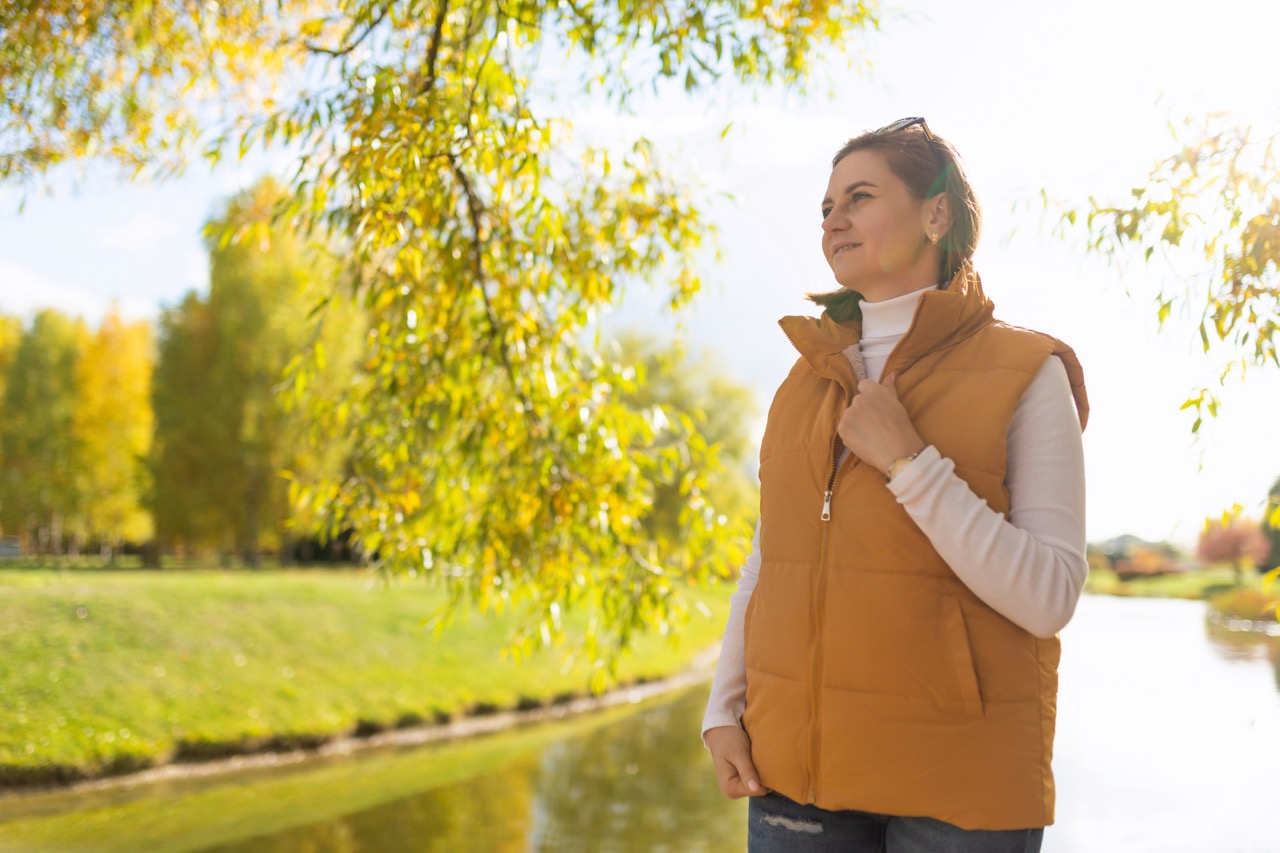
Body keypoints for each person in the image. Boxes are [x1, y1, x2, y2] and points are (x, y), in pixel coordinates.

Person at [701, 117, 1089, 852]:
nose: (833, 218)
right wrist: (724, 708)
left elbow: (1049, 596)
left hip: (960, 784)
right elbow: (770, 558)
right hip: (797, 774)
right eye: (825, 206)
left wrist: (911, 465)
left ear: (936, 214)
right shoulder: (804, 378)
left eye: (860, 196)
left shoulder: (1028, 371)